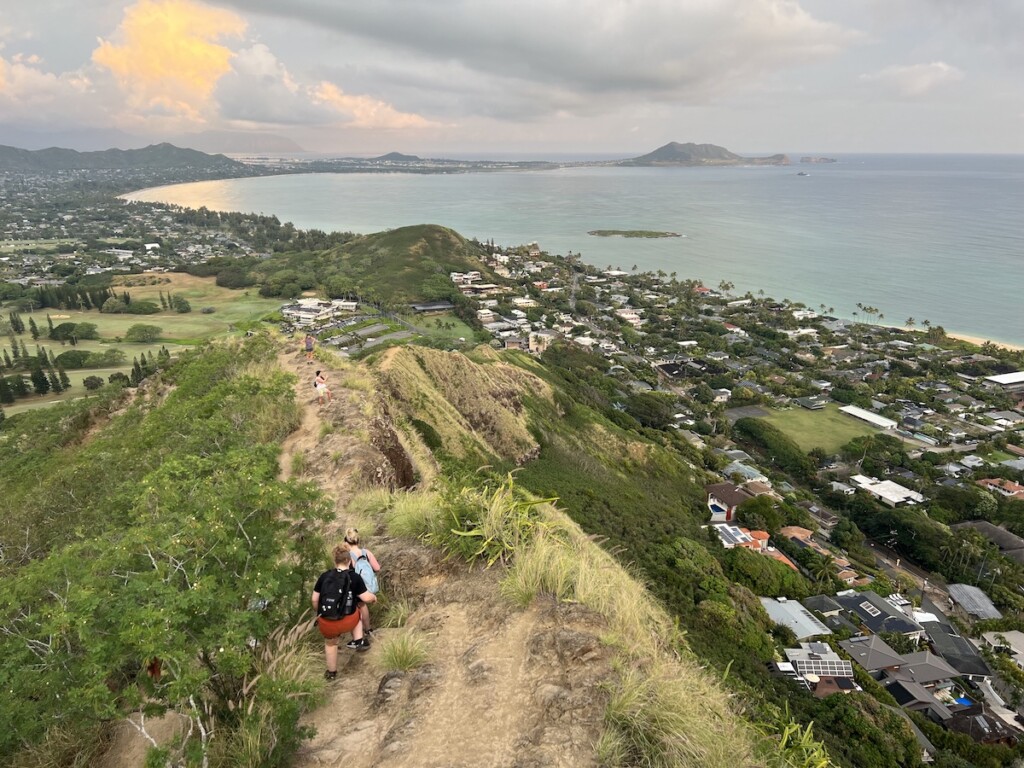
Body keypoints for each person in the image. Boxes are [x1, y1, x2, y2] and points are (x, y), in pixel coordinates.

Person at [312, 546, 376, 680]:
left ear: (335, 561)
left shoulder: (324, 576)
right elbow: (366, 598)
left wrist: (319, 614)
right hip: (348, 622)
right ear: (349, 560)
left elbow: (314, 599)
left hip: (327, 622)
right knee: (358, 609)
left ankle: (331, 673)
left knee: (331, 644)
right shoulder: (354, 577)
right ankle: (359, 640)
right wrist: (374, 597)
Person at [344, 528, 381, 636]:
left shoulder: (347, 556)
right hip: (367, 587)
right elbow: (377, 568)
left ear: (346, 541)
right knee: (363, 605)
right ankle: (368, 629)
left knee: (355, 608)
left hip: (354, 586)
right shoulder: (366, 552)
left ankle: (357, 635)